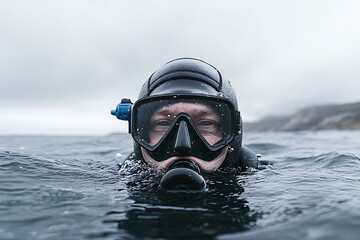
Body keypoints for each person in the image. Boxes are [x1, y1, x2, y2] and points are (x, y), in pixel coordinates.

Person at [111, 57, 258, 177]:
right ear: (140, 133)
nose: (182, 146)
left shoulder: (257, 180)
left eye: (206, 123)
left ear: (232, 133)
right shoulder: (121, 179)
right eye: (163, 123)